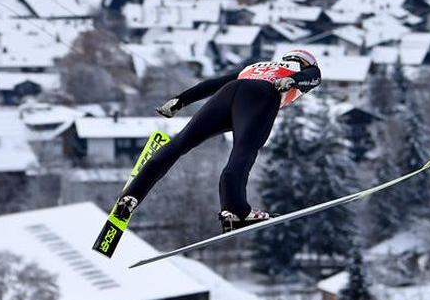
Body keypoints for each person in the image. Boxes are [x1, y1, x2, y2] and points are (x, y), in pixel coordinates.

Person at [114, 49, 322, 232]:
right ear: (305, 62)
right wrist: (294, 81)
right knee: (244, 150)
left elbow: (213, 84)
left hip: (228, 93)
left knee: (181, 142)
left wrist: (180, 100)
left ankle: (131, 196)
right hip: (261, 95)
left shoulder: (257, 67)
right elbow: (313, 76)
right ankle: (235, 210)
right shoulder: (299, 69)